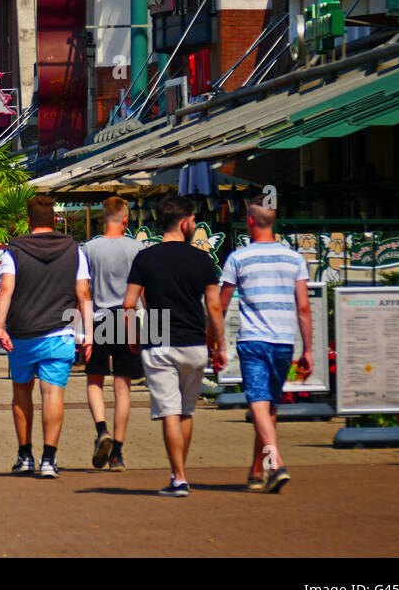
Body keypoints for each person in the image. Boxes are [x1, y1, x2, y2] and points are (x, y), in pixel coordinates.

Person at [123, 195, 224, 498]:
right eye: (193, 221)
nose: (194, 225)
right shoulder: (202, 259)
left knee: (169, 411)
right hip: (194, 342)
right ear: (184, 223)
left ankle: (178, 477)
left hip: (158, 343)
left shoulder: (145, 258)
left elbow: (129, 303)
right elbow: (215, 308)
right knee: (187, 411)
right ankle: (181, 472)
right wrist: (219, 345)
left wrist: (131, 336)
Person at [0, 195, 93, 479]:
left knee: (21, 392)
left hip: (22, 332)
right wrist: (87, 334)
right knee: (52, 394)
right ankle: (49, 459)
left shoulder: (14, 250)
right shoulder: (75, 250)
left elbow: (5, 290)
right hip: (60, 332)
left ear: (28, 221)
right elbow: (83, 293)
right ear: (55, 220)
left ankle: (25, 455)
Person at [219, 199, 312, 493]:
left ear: (249, 221)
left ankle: (276, 464)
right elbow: (304, 308)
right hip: (284, 341)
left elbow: (220, 306)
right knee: (268, 406)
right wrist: (308, 349)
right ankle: (256, 471)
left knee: (259, 403)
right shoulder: (295, 259)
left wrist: (215, 341)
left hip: (253, 340)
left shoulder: (238, 258)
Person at [83, 196, 144, 471]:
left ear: (102, 218)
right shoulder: (138, 248)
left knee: (95, 381)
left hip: (97, 319)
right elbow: (143, 291)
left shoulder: (88, 248)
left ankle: (101, 430)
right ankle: (118, 453)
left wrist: (81, 330)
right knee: (123, 387)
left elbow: (82, 290)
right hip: (127, 319)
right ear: (126, 219)